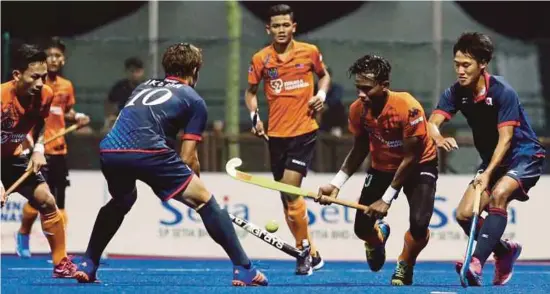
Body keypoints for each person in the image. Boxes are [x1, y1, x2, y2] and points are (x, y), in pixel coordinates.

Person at [73, 43, 268, 287]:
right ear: (195, 69)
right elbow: (188, 157)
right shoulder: (194, 100)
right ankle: (244, 268)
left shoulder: (143, 86)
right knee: (206, 201)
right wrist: (199, 192)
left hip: (111, 150)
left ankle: (88, 263)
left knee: (122, 200)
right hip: (149, 152)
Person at [428, 32, 546, 286]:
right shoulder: (455, 93)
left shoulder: (503, 92)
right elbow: (432, 124)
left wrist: (486, 173)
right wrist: (437, 138)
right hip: (494, 161)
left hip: (523, 155)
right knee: (463, 215)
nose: (459, 70)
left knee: (499, 194)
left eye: (466, 65)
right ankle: (504, 251)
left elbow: (506, 140)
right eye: (457, 64)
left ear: (482, 64)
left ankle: (476, 261)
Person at [317, 54, 438, 286]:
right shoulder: (357, 110)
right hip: (382, 166)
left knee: (420, 224)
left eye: (367, 88)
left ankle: (405, 262)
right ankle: (377, 237)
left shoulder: (408, 107)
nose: (361, 94)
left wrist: (386, 199)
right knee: (362, 228)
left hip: (419, 164)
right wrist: (336, 184)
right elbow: (360, 148)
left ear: (384, 86)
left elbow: (410, 158)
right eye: (358, 87)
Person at [244, 4, 330, 275]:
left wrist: (321, 96)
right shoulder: (261, 59)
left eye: (285, 25)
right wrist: (254, 118)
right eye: (276, 26)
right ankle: (311, 253)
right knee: (287, 199)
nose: (281, 30)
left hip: (304, 131)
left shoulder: (310, 52)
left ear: (294, 27)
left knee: (292, 192)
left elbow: (324, 76)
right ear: (268, 29)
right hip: (276, 136)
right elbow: (250, 92)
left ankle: (302, 252)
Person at [1, 43, 76, 277]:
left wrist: (38, 148)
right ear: (17, 75)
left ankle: (61, 263)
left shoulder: (45, 94)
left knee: (46, 200)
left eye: (43, 77)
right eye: (34, 77)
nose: (41, 83)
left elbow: (41, 121)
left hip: (12, 157)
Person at [15, 37, 90, 258]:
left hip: (59, 149)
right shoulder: (35, 85)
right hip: (38, 150)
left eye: (58, 56)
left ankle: (60, 251)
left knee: (60, 202)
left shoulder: (66, 86)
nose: (54, 59)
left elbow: (64, 112)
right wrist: (30, 144)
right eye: (50, 56)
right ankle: (23, 234)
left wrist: (77, 117)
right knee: (37, 201)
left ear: (63, 59)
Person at [102, 57, 145, 132]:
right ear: (126, 71)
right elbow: (109, 102)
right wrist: (109, 118)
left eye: (138, 71)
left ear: (142, 72)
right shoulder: (119, 87)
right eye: (132, 71)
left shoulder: (148, 87)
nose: (134, 74)